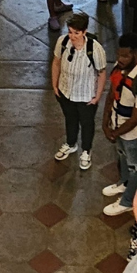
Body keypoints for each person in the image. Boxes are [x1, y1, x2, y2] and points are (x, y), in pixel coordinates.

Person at [101, 33, 137, 217]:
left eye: (125, 56)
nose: (120, 59)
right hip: (118, 126)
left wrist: (115, 133)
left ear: (136, 54)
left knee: (136, 167)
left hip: (133, 133)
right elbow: (111, 95)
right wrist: (105, 122)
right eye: (118, 55)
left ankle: (129, 201)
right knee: (122, 157)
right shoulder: (119, 68)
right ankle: (124, 184)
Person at [50, 12, 108, 170]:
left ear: (84, 32)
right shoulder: (62, 42)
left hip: (86, 96)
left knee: (87, 124)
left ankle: (86, 151)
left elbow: (102, 72)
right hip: (65, 91)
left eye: (76, 33)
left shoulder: (95, 50)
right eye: (70, 31)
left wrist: (97, 97)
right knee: (70, 119)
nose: (72, 36)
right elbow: (56, 62)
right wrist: (55, 85)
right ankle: (70, 143)